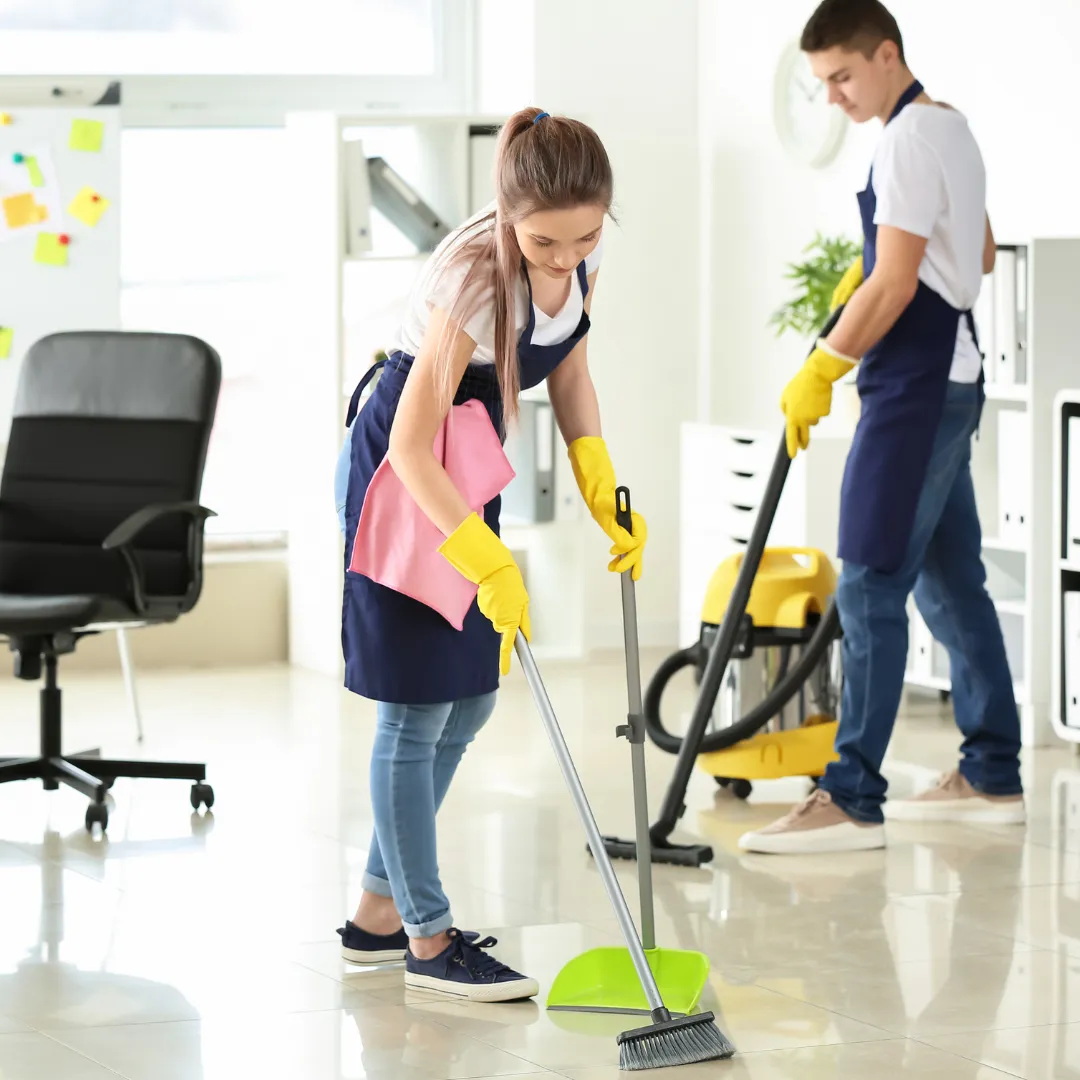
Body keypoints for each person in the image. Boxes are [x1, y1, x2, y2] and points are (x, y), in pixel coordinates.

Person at [333, 107, 648, 999]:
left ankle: (377, 912)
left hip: (467, 465)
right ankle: (427, 941)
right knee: (414, 711)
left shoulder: (579, 251)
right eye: (543, 242)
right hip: (406, 477)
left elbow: (571, 368)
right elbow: (409, 445)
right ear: (509, 216)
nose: (562, 258)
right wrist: (487, 557)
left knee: (468, 702)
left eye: (582, 238)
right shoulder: (477, 273)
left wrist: (599, 481)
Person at [740, 0, 1024, 855]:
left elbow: (898, 283)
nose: (833, 96)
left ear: (886, 54)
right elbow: (977, 253)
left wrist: (823, 364)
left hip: (915, 385)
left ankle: (852, 796)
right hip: (955, 375)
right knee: (951, 582)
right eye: (822, 82)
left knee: (867, 582)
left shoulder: (904, 140)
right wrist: (870, 276)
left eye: (842, 76)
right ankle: (992, 771)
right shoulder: (951, 126)